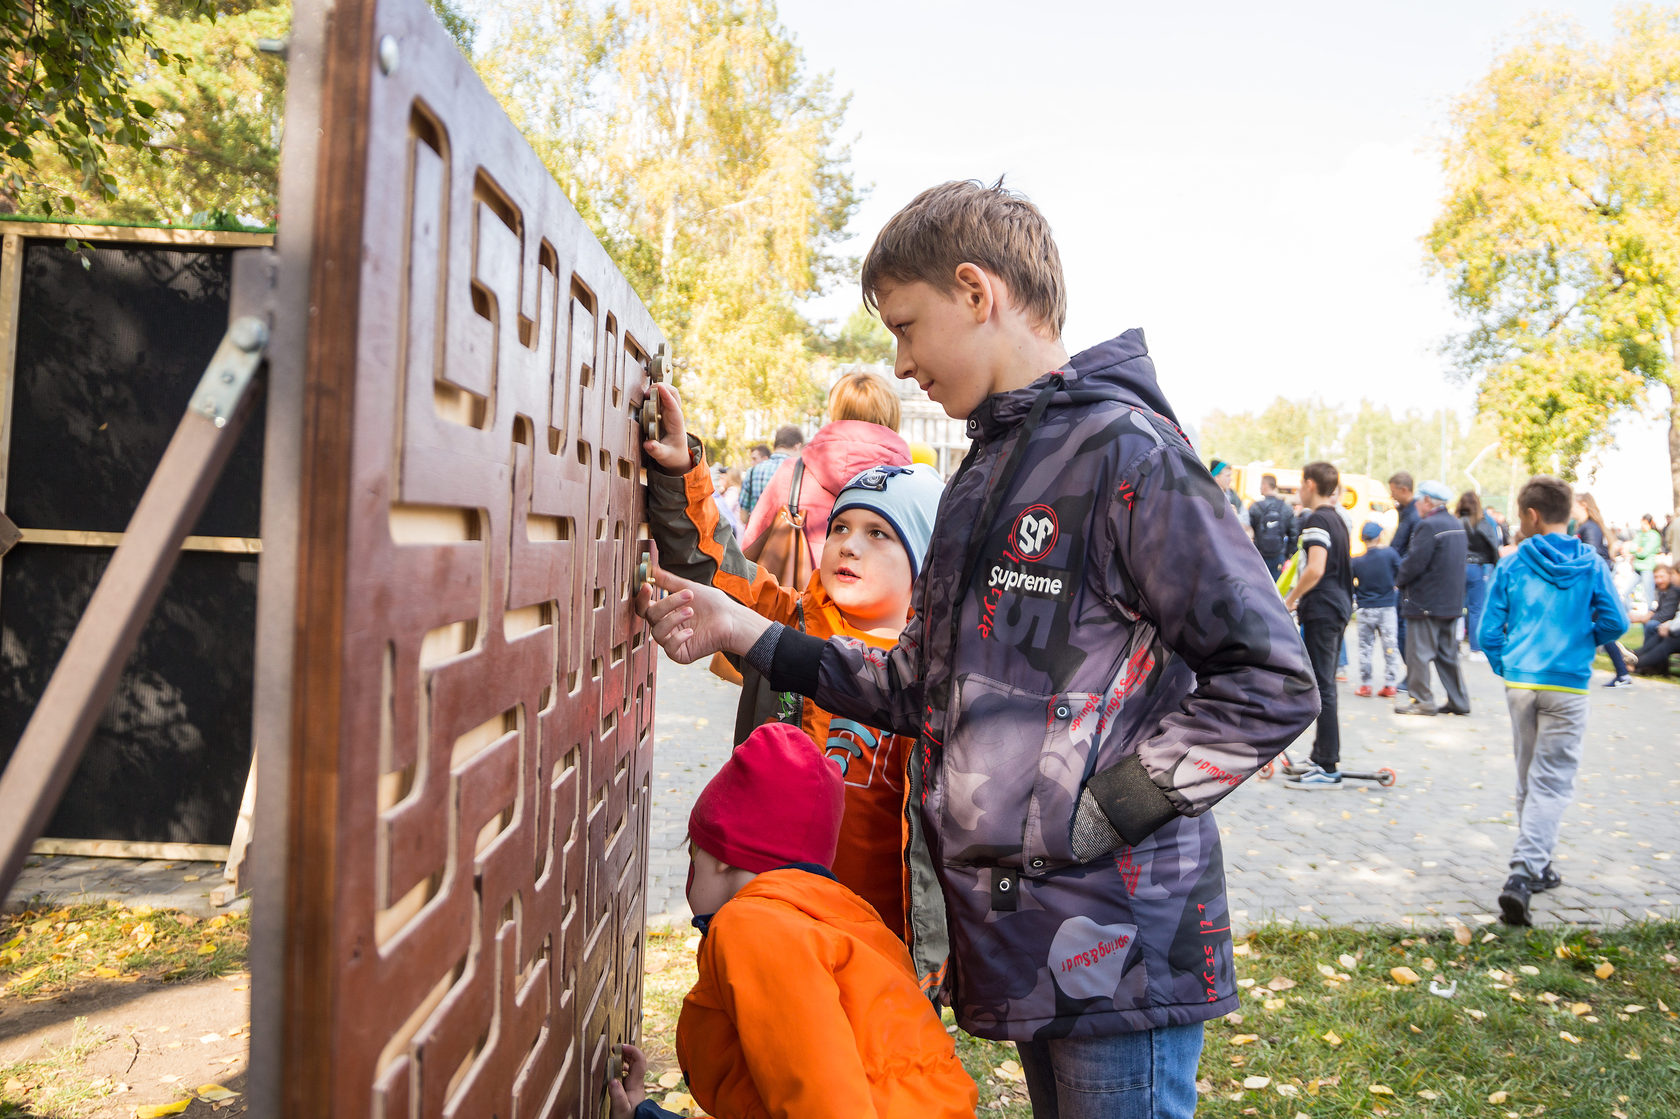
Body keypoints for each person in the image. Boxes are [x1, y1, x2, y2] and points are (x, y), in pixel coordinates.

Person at [637, 179, 1317, 1119]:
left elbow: (1273, 683)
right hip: (1028, 945)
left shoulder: (1130, 454)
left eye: (908, 326)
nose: (903, 361)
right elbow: (922, 687)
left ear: (975, 291)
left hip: (1120, 945)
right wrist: (744, 630)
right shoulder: (981, 470)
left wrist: (1099, 815)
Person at [644, 384, 942, 936]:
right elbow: (714, 564)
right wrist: (681, 471)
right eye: (843, 527)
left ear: (922, 570)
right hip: (772, 913)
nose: (849, 545)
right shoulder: (787, 621)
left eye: (879, 534)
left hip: (884, 933)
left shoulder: (937, 673)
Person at [606, 723, 978, 1119]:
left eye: (693, 857)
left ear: (724, 857)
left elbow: (825, 1110)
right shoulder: (849, 919)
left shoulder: (754, 927)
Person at [1478, 476, 1626, 926]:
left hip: (1522, 683)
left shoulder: (1513, 564)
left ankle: (1537, 866)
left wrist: (1509, 666)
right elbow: (1615, 621)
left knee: (1529, 778)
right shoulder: (1592, 564)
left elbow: (1487, 633)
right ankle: (1523, 874)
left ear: (1530, 515)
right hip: (1569, 686)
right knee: (1552, 782)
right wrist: (1585, 643)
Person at [743, 372, 910, 559]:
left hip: (797, 586)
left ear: (835, 411)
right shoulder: (909, 485)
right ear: (892, 415)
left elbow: (751, 545)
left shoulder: (792, 473)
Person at [1282, 461, 1354, 789]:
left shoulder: (1316, 519)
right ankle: (1320, 754)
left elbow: (1315, 568)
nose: (1299, 488)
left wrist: (1290, 599)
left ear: (1310, 484)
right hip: (1337, 606)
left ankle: (1328, 765)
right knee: (1324, 684)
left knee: (1323, 687)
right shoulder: (1337, 518)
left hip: (1322, 608)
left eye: (1300, 482)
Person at [1394, 480, 1471, 716]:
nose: (1416, 504)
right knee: (1447, 655)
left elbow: (1415, 562)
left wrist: (1398, 580)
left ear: (1427, 501)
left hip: (1425, 602)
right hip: (1451, 602)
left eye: (1419, 499)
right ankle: (1459, 701)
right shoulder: (1456, 524)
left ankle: (1422, 700)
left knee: (1418, 654)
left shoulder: (1428, 526)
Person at [1572, 492, 1633, 687]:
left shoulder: (1590, 528)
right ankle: (1622, 672)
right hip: (1591, 585)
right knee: (1592, 626)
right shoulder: (1586, 527)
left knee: (1594, 626)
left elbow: (1591, 556)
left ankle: (1622, 672)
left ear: (1582, 505)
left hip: (1592, 586)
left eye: (1573, 504)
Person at [1350, 520, 1403, 698]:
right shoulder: (1390, 554)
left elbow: (1349, 584)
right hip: (1387, 607)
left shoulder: (1356, 561)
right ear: (1379, 536)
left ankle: (1366, 684)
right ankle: (1390, 684)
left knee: (1365, 648)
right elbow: (1401, 573)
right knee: (1390, 647)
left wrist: (1358, 593)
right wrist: (1394, 586)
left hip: (1365, 608)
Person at [1457, 491, 1501, 659]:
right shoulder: (1484, 522)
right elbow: (1493, 543)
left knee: (1456, 608)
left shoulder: (1455, 521)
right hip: (1477, 568)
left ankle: (1454, 646)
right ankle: (1475, 649)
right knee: (1476, 609)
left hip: (1457, 567)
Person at [1621, 562, 1680, 676]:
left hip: (1674, 629)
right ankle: (1635, 656)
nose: (1672, 578)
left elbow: (1668, 614)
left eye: (1672, 574)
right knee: (1661, 634)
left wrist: (1669, 626)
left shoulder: (1674, 591)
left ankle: (1635, 664)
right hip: (1673, 627)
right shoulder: (1664, 589)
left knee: (1663, 636)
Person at [737, 426, 802, 518]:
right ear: (797, 446)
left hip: (759, 530)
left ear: (775, 445)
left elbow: (743, 517)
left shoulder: (752, 471)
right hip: (789, 530)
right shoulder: (800, 472)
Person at [1248, 472, 1297, 580]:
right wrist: (1287, 554)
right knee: (1275, 587)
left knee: (1259, 585)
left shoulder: (1255, 507)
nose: (1260, 487)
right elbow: (1294, 534)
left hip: (1259, 554)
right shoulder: (1286, 507)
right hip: (1278, 555)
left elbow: (1247, 530)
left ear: (1265, 485)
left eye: (1261, 485)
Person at [1632, 514, 1663, 607]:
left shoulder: (1654, 535)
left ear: (1649, 523)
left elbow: (1644, 553)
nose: (1642, 525)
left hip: (1647, 567)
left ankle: (1650, 614)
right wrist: (1638, 549)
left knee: (1649, 595)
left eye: (1644, 523)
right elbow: (1632, 548)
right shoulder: (1639, 534)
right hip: (1637, 566)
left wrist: (1638, 549)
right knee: (1626, 591)